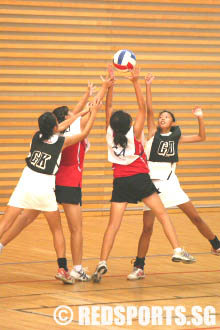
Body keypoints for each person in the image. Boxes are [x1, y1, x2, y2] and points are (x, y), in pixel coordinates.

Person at [92, 66, 195, 284]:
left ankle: (102, 261)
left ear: (113, 125)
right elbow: (142, 107)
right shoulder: (134, 133)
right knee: (163, 214)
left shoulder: (109, 133)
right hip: (140, 179)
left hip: (120, 182)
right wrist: (135, 81)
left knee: (113, 225)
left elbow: (108, 107)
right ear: (129, 124)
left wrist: (110, 84)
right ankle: (177, 249)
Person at [127, 73, 220, 280]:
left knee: (195, 216)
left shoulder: (176, 137)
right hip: (150, 185)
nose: (162, 118)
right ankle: (139, 266)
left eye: (166, 117)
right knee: (147, 228)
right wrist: (147, 85)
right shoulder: (152, 131)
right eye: (161, 116)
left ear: (172, 122)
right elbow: (149, 109)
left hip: (170, 183)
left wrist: (201, 117)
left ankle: (216, 244)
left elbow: (201, 137)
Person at [0, 98, 101, 283]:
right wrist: (93, 111)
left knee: (5, 224)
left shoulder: (36, 135)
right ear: (56, 127)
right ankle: (63, 268)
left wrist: (80, 112)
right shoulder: (61, 142)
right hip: (45, 188)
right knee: (57, 229)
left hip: (24, 185)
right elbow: (84, 132)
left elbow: (61, 125)